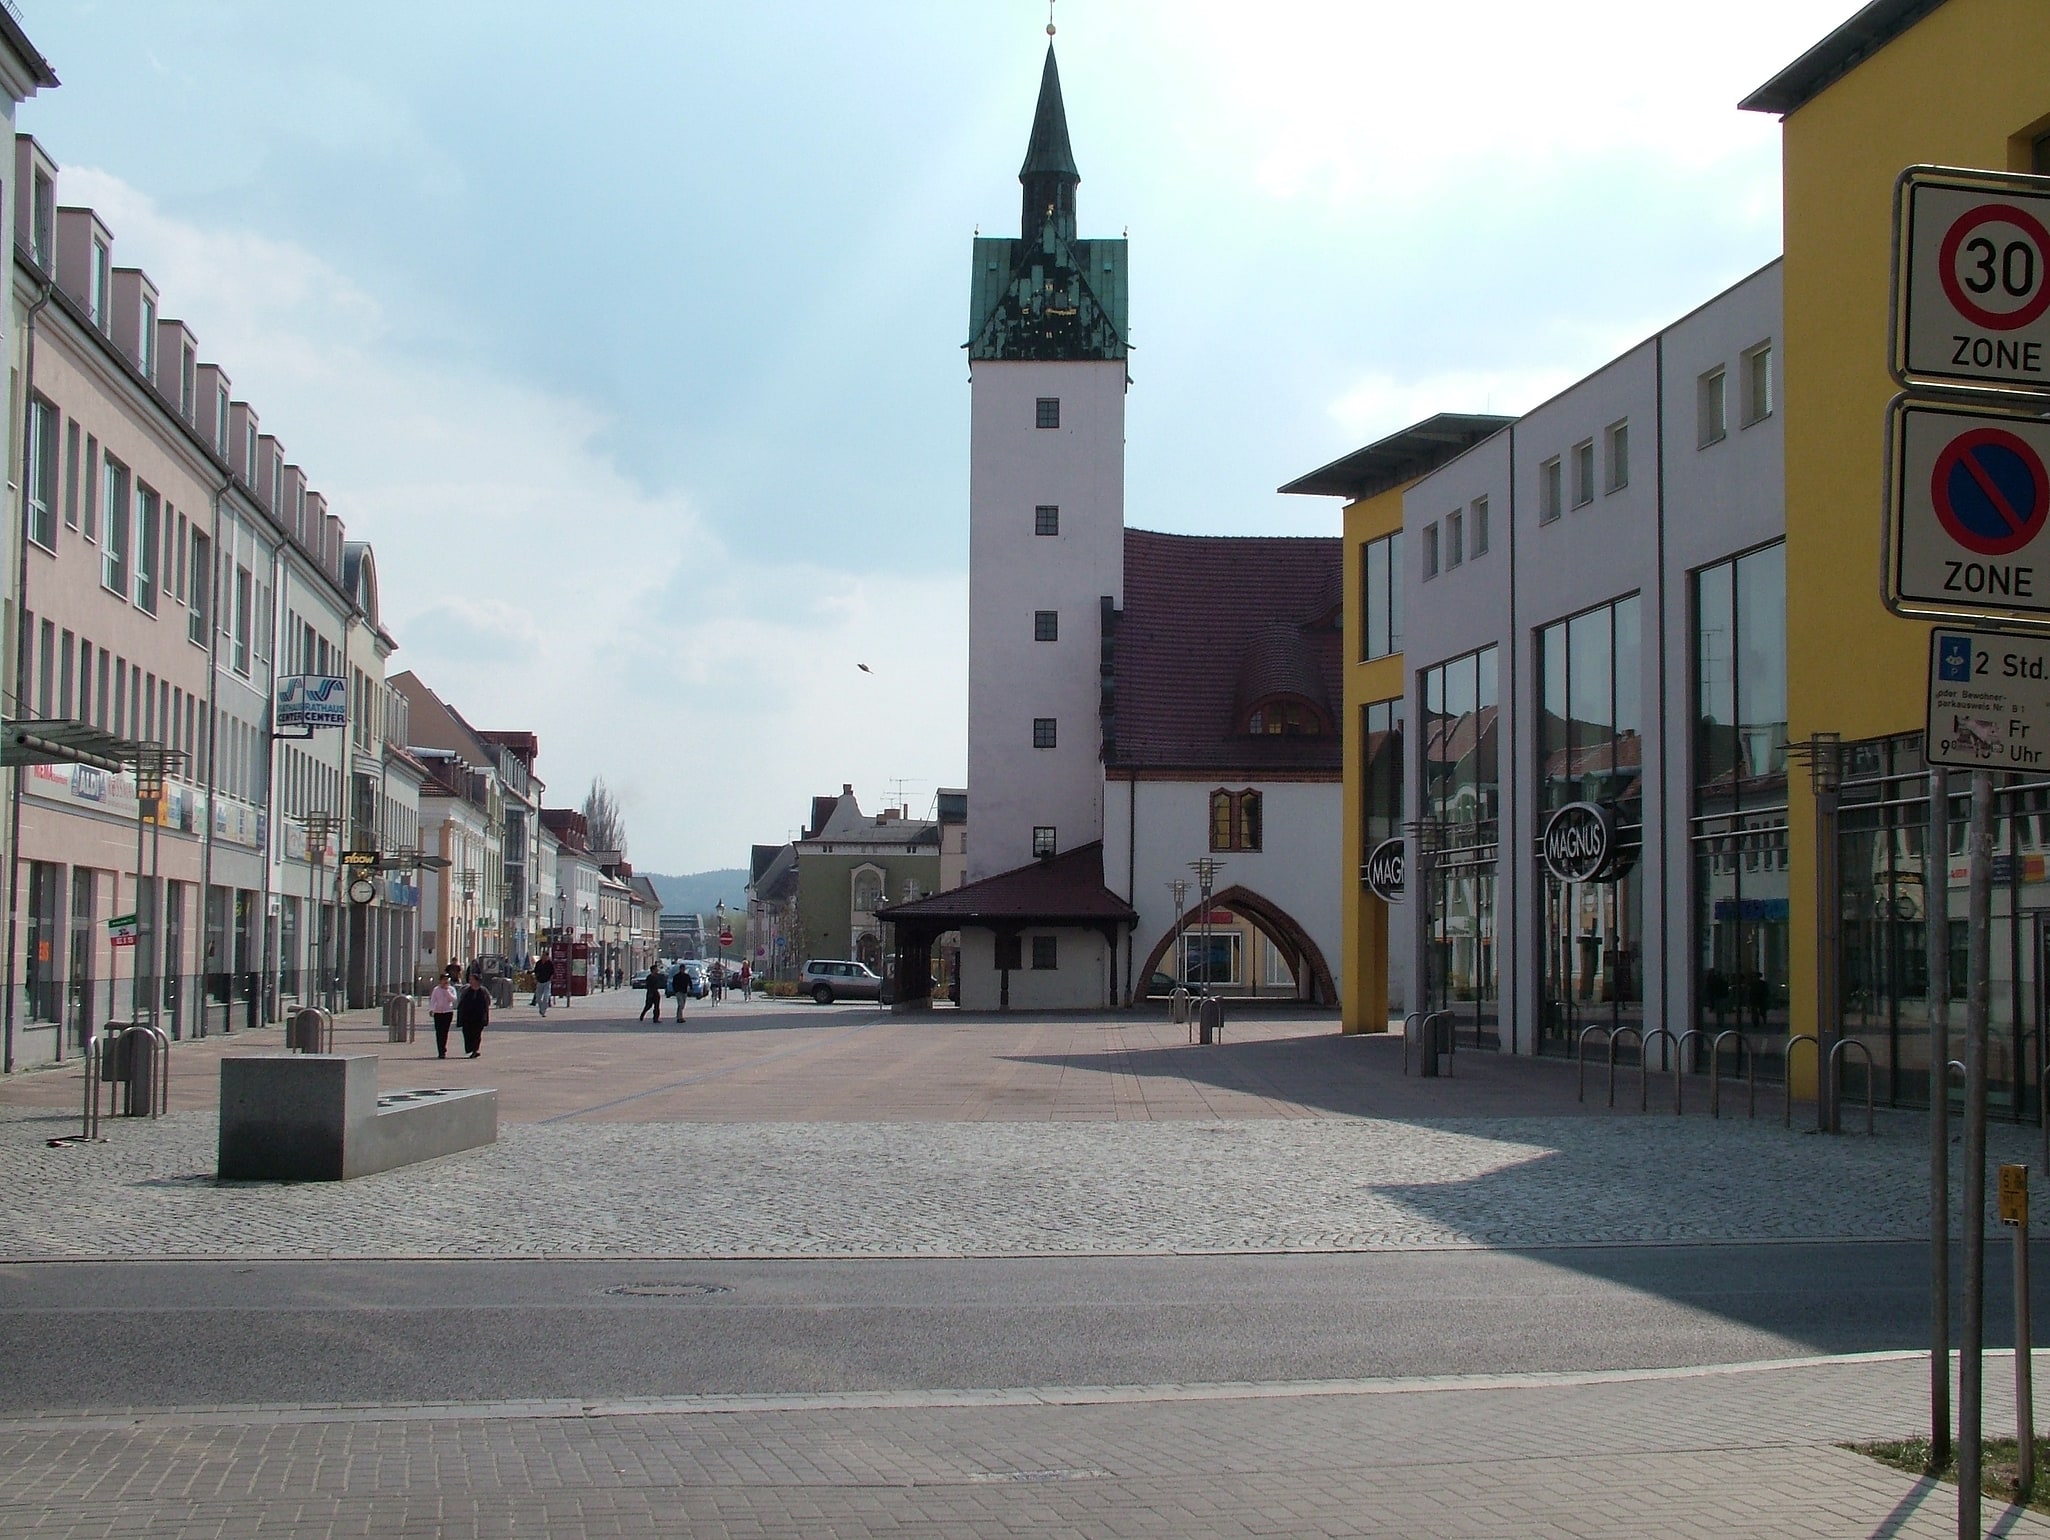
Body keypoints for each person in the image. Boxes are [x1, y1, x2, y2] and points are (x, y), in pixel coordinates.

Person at [457, 967, 491, 1058]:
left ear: (477, 981)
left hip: (479, 1017)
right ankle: (470, 1049)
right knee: (467, 1033)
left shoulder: (483, 991)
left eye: (472, 979)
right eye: (470, 979)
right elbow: (461, 1002)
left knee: (477, 1034)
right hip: (467, 1017)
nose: (470, 981)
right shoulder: (466, 990)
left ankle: (475, 1050)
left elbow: (488, 1002)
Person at [429, 971, 458, 1060]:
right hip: (438, 1013)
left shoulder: (451, 989)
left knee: (444, 1032)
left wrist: (446, 991)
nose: (445, 981)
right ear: (440, 980)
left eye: (447, 980)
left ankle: (443, 1050)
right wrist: (432, 1009)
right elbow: (433, 1000)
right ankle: (440, 1051)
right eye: (443, 980)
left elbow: (453, 999)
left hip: (447, 1012)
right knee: (439, 1032)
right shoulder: (436, 989)